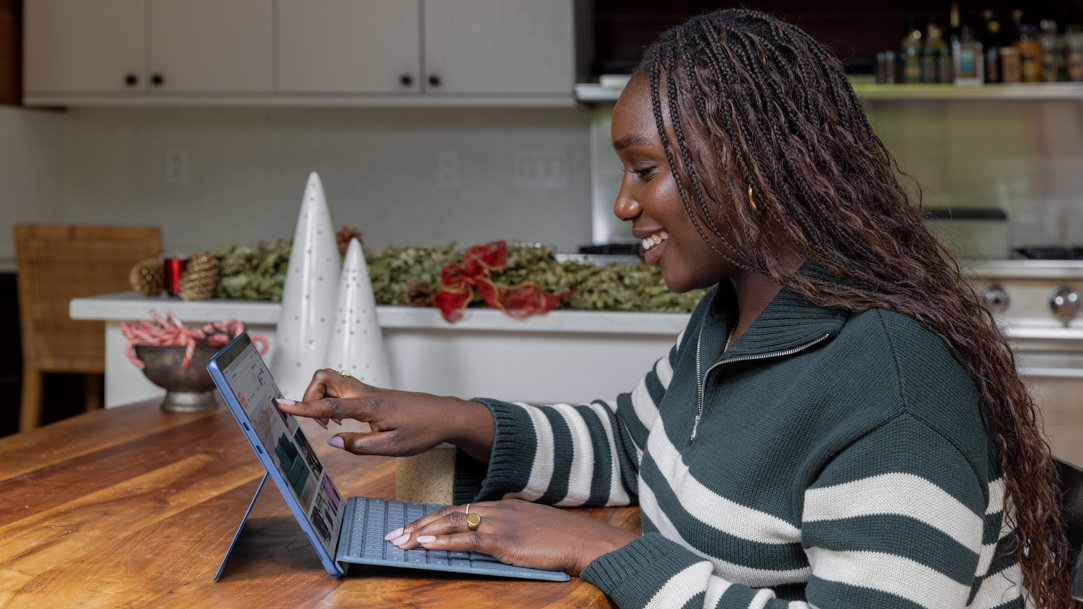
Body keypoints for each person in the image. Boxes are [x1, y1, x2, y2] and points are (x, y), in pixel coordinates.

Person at [276, 8, 1072, 608]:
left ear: (752, 167)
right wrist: (456, 418)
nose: (624, 204)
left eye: (644, 168)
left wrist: (596, 550)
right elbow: (638, 441)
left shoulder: (891, 385)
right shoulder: (733, 317)